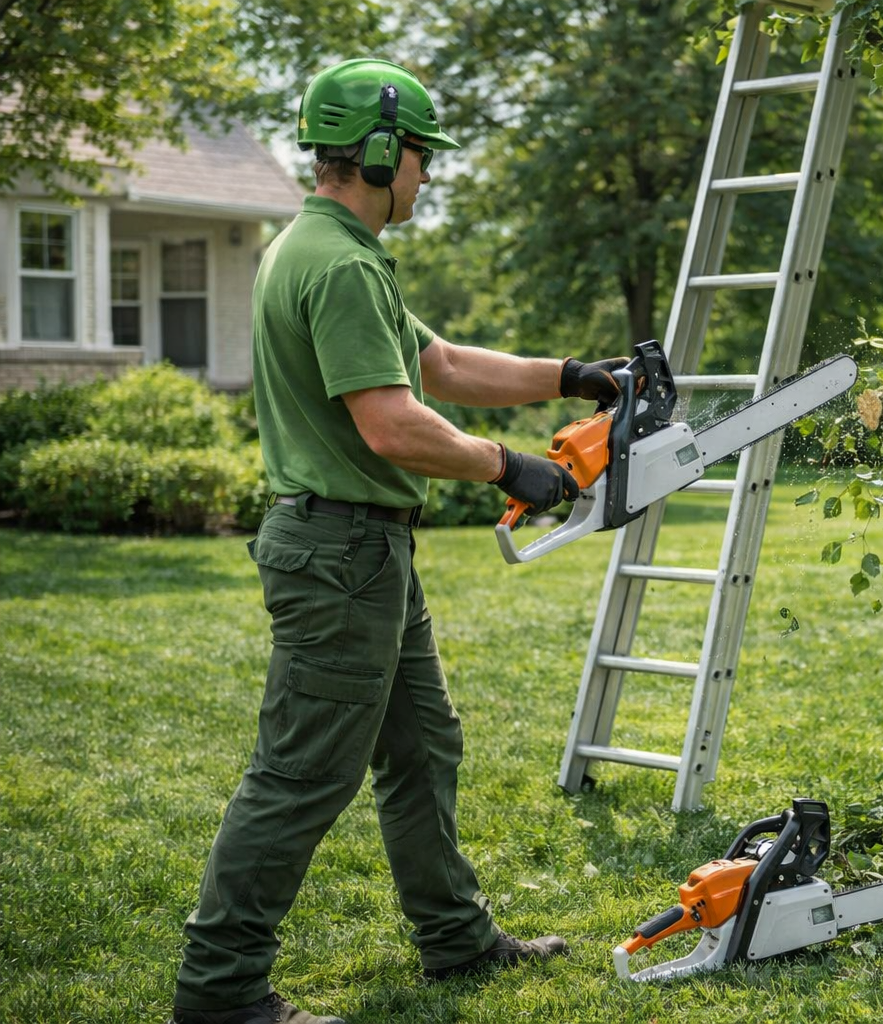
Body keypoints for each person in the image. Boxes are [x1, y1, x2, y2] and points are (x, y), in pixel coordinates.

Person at [171, 58, 627, 1024]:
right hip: (340, 555)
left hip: (366, 553)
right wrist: (510, 468)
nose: (428, 174)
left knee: (421, 746)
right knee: (300, 775)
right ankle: (219, 991)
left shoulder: (335, 251)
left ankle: (456, 941)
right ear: (381, 153)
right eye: (422, 156)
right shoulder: (334, 263)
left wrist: (576, 374)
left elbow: (442, 365)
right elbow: (391, 423)